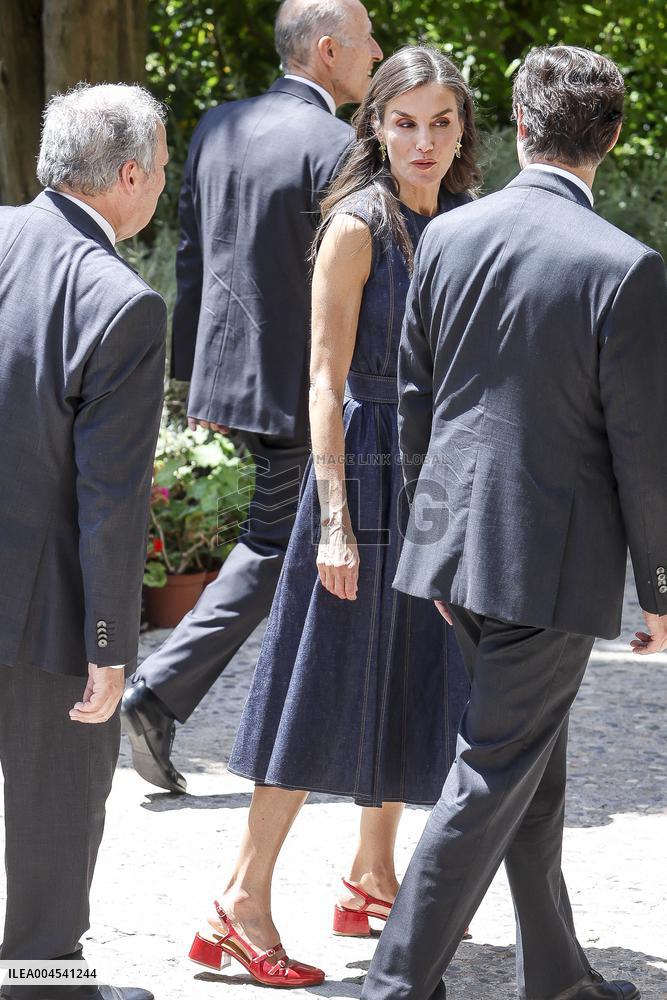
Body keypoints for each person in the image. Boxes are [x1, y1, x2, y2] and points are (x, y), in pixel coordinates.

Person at [360, 45, 667, 1000]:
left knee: (528, 764)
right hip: (548, 565)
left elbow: (416, 401)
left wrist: (436, 550)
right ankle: (393, 984)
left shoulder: (448, 236)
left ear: (519, 130)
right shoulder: (626, 267)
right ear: (608, 140)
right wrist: (660, 590)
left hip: (458, 551)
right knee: (492, 774)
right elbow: (645, 454)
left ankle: (558, 977)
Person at [187, 46, 479, 987]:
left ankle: (370, 875)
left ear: (463, 129)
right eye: (404, 121)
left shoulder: (467, 221)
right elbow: (320, 378)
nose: (422, 142)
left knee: (411, 671)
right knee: (321, 682)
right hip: (362, 467)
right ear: (375, 124)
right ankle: (241, 901)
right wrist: (333, 523)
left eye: (440, 122)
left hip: (432, 474)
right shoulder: (357, 222)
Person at [121, 0, 383, 794]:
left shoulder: (217, 127)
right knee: (283, 545)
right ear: (329, 50)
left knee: (308, 543)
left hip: (234, 377)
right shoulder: (340, 145)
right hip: (305, 387)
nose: (378, 52)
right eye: (367, 39)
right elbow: (352, 285)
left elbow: (197, 254)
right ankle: (158, 694)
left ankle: (330, 723)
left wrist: (198, 376)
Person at [0, 84, 169, 1000]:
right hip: (44, 609)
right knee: (55, 809)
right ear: (130, 175)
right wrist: (113, 648)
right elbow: (114, 498)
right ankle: (40, 984)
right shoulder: (121, 303)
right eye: (163, 167)